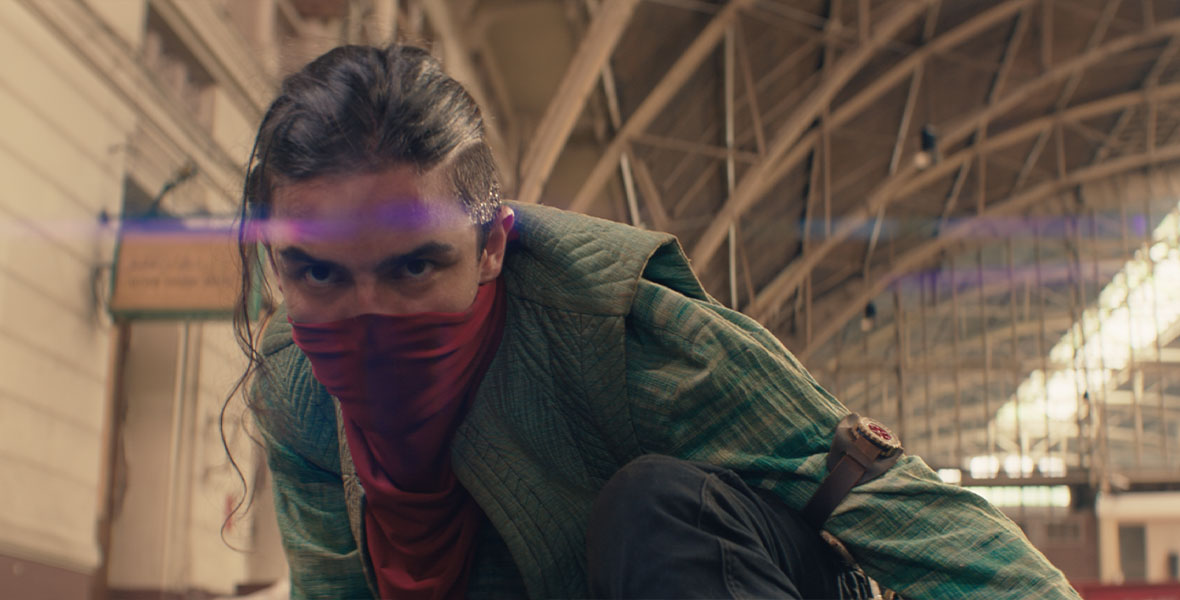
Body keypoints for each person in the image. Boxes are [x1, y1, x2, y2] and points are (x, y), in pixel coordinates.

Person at [234, 44, 1081, 600]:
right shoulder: (297, 388)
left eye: (415, 266)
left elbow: (885, 499)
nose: (369, 318)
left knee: (658, 510)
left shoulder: (625, 331)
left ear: (493, 244)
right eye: (317, 273)